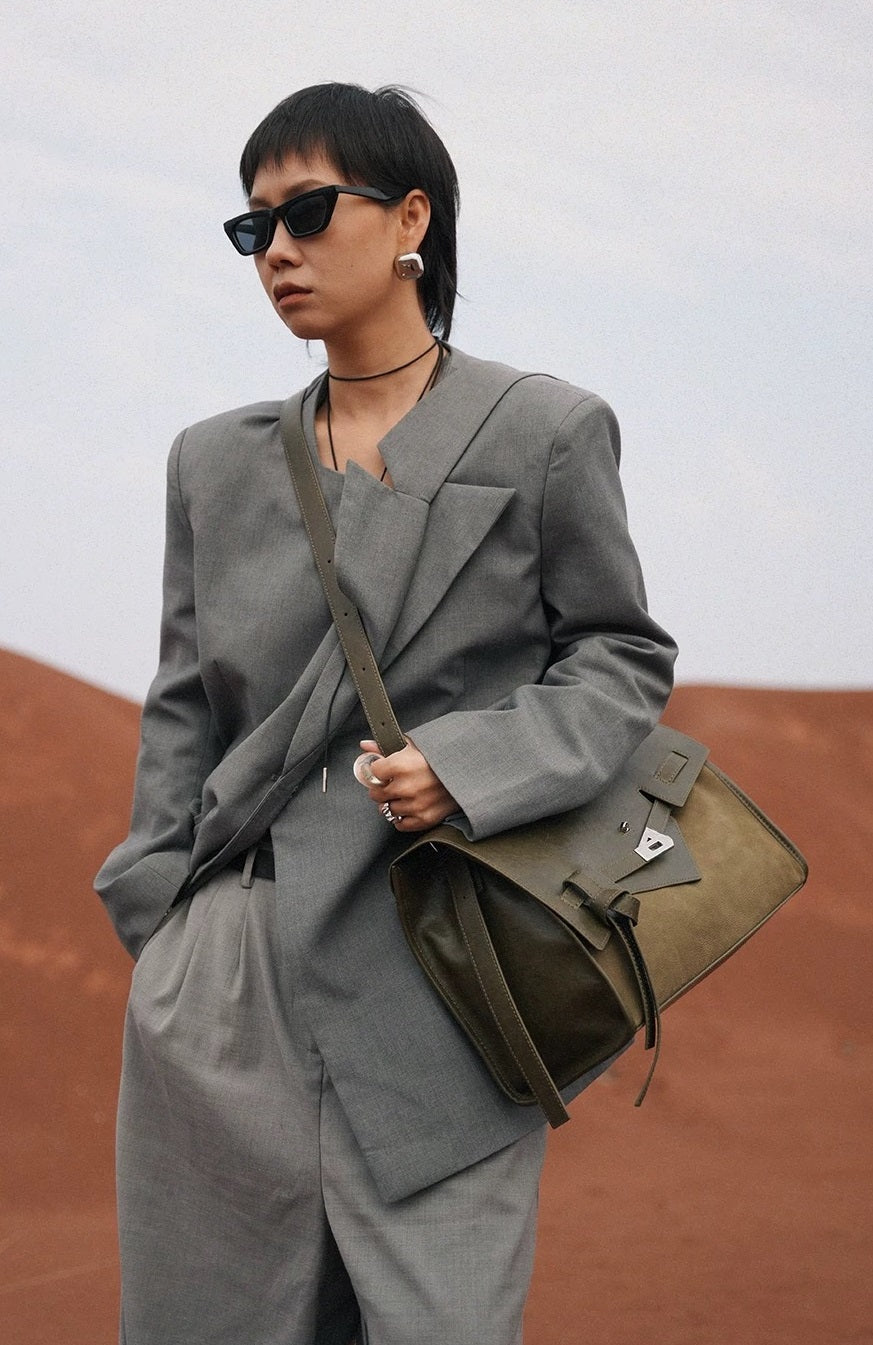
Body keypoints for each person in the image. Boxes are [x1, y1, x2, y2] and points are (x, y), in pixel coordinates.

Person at [96, 82, 677, 1345]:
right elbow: (185, 703)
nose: (279, 250)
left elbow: (621, 656)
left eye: (308, 210)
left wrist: (472, 762)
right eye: (254, 227)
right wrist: (164, 922)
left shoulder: (545, 433)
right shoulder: (213, 461)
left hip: (443, 968)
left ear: (412, 218)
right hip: (226, 985)